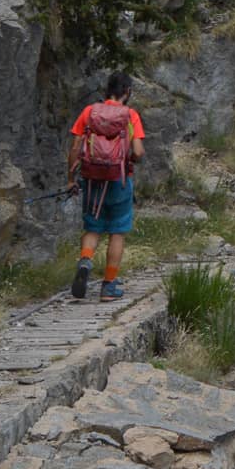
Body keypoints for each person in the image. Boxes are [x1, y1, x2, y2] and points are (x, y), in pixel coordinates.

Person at [67, 71, 146, 301]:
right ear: (128, 92)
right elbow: (139, 151)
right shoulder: (130, 115)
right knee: (117, 232)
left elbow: (75, 148)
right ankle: (108, 287)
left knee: (92, 228)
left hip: (92, 180)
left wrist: (71, 180)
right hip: (119, 180)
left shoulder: (89, 112)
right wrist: (131, 160)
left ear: (107, 90)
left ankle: (86, 259)